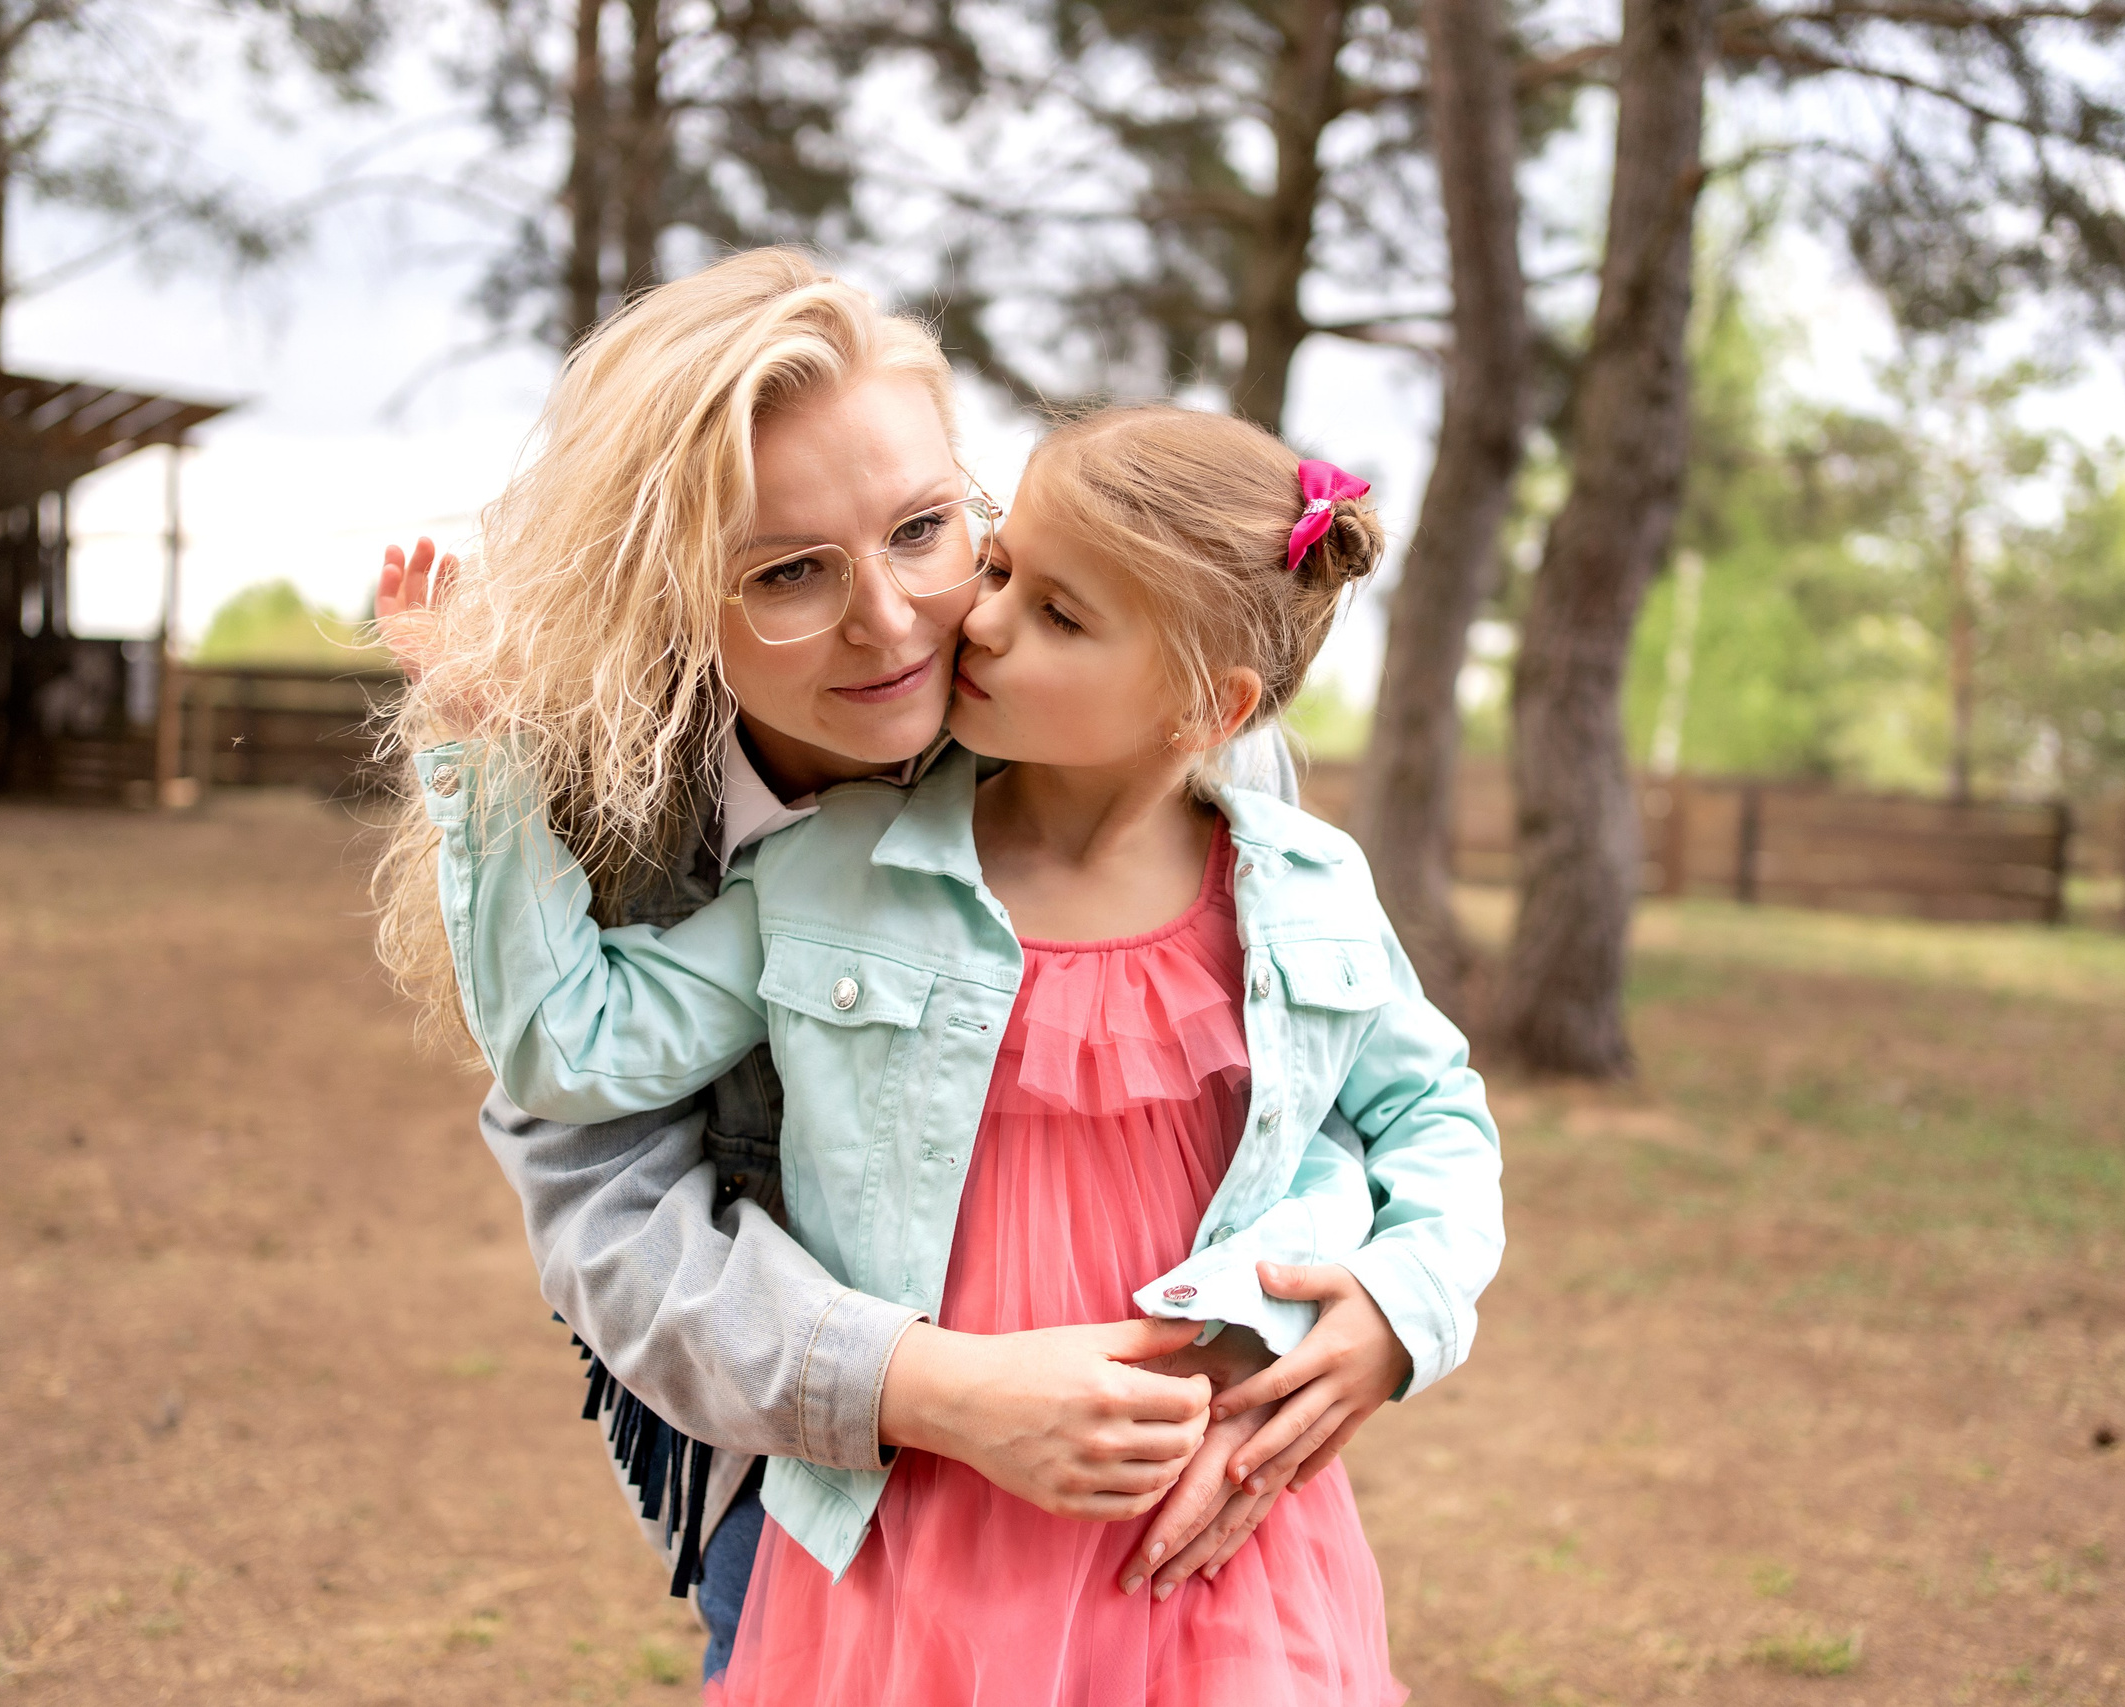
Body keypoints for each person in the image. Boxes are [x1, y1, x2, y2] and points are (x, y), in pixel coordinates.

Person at [371, 250, 1436, 1680]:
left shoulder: (1175, 760)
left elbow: (1347, 1097)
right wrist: (935, 1389)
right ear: (673, 601)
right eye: (787, 571)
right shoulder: (624, 851)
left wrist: (1380, 1305)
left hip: (1177, 1499)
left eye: (929, 531)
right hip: (822, 1463)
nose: (902, 622)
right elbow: (607, 1200)